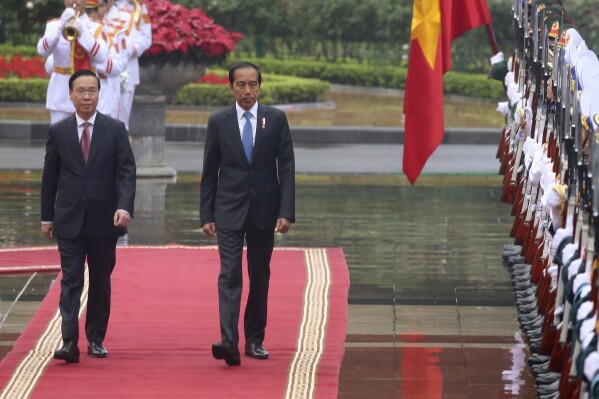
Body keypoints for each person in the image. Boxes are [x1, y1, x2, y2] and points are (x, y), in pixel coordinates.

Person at [200, 61, 295, 367]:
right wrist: (206, 213)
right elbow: (209, 170)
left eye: (253, 84)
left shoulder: (276, 119)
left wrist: (286, 211)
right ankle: (229, 342)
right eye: (241, 84)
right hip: (227, 209)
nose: (247, 90)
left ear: (260, 86)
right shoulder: (219, 121)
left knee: (259, 275)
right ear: (231, 88)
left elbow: (287, 168)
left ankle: (255, 339)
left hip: (264, 211)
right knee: (229, 274)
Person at [41, 69, 136, 363]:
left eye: (91, 90)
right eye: (80, 91)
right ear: (70, 95)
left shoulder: (115, 129)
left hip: (105, 220)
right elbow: (50, 178)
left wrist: (125, 206)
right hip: (68, 219)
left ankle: (96, 338)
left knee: (99, 280)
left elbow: (127, 172)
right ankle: (69, 341)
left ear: (99, 93)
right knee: (70, 280)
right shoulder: (58, 131)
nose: (86, 96)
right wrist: (47, 217)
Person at [37, 0, 108, 124]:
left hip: (87, 93)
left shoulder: (96, 26)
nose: (75, 1)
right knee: (59, 140)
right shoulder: (54, 25)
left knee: (87, 140)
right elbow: (42, 51)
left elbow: (102, 57)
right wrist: (60, 29)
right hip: (60, 94)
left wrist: (83, 33)